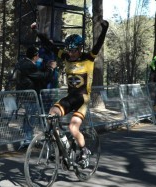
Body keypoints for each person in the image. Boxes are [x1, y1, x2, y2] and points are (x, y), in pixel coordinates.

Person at [31, 20, 109, 167]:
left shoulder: (88, 58)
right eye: (69, 50)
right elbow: (50, 45)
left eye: (74, 50)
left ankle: (84, 151)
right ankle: (64, 147)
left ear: (80, 49)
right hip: (70, 98)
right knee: (51, 116)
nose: (71, 53)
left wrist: (104, 29)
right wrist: (38, 32)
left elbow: (98, 44)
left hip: (82, 100)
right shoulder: (66, 57)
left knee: (73, 128)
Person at [16, 46, 57, 144]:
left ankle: (30, 137)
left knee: (32, 116)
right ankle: (28, 138)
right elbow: (41, 76)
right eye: (37, 55)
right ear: (35, 56)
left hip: (29, 95)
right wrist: (50, 68)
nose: (39, 57)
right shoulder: (28, 65)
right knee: (31, 117)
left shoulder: (23, 63)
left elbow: (38, 75)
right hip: (30, 96)